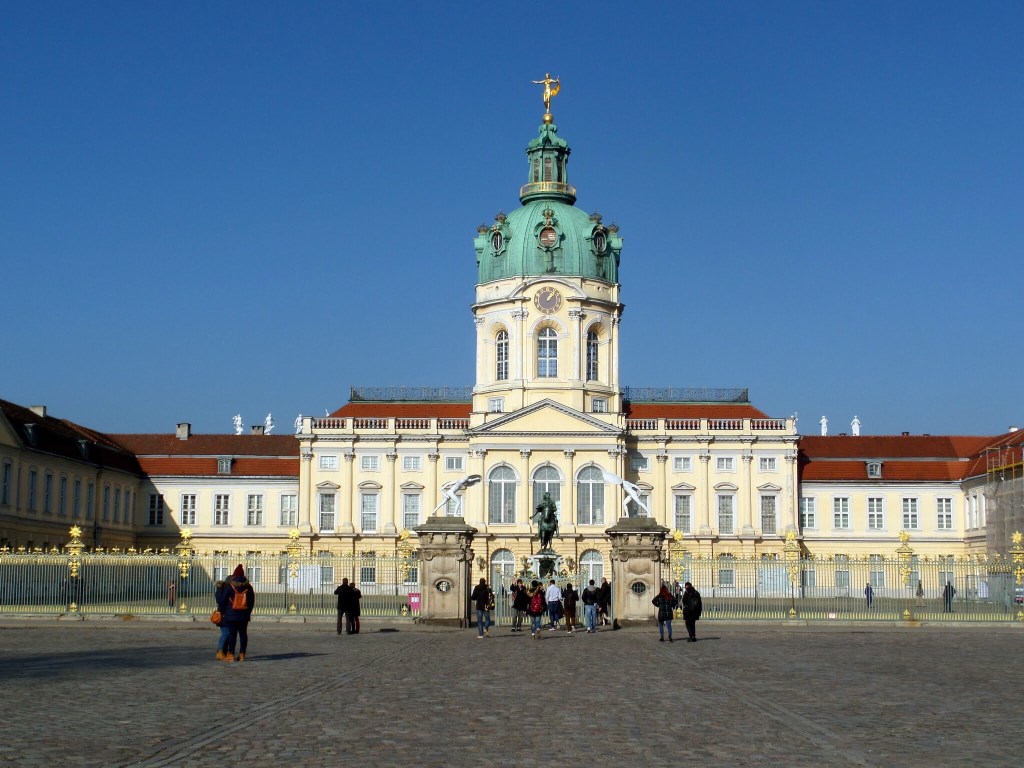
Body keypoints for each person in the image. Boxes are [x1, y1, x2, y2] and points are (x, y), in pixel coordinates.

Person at [219, 565, 255, 662]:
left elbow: (224, 600)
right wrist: (248, 612)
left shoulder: (230, 586)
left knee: (232, 635)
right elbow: (251, 602)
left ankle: (231, 654)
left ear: (234, 575)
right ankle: (242, 654)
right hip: (244, 615)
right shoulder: (249, 587)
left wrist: (222, 612)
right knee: (243, 634)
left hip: (231, 614)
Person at [213, 579, 234, 660]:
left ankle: (224, 652)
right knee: (226, 634)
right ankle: (220, 651)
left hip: (225, 615)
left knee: (228, 634)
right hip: (224, 616)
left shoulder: (220, 591)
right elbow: (222, 603)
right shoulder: (222, 592)